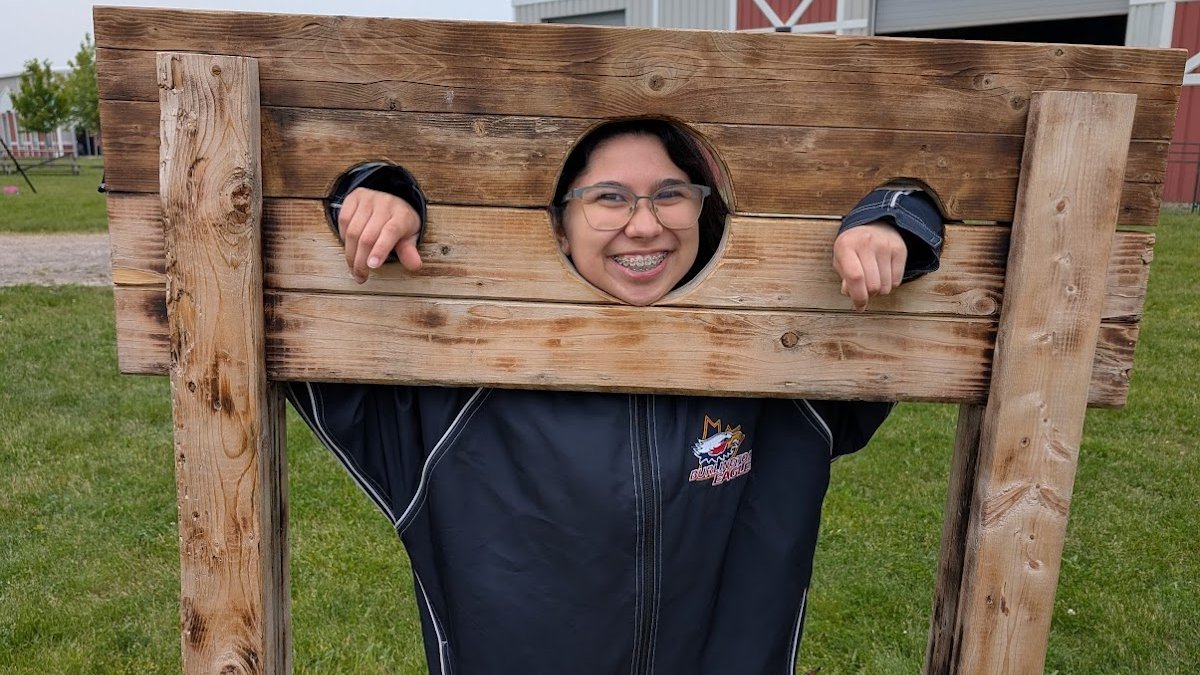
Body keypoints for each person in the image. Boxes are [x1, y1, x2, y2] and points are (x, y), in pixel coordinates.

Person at [288, 119, 943, 675]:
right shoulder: (452, 408)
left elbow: (887, 317)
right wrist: (370, 193)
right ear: (558, 224)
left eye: (670, 194)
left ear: (705, 208)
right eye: (608, 197)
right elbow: (299, 330)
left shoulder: (782, 370)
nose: (644, 224)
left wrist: (896, 221)